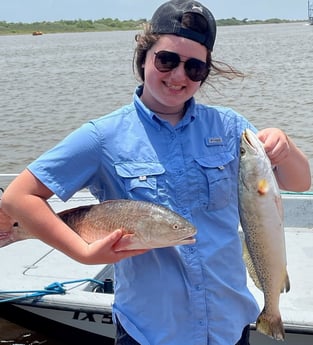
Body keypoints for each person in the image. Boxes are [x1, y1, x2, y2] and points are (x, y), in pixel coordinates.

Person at [1, 1, 311, 344]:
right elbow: (19, 196)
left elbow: (299, 182)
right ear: (144, 58)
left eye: (195, 68)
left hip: (229, 326)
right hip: (150, 331)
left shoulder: (230, 127)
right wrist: (83, 253)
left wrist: (286, 146)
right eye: (167, 60)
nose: (179, 76)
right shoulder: (102, 136)